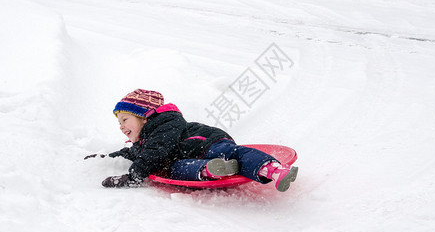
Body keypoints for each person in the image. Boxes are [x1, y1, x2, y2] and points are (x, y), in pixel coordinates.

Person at [85, 89, 298, 192]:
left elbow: (156, 152)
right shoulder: (144, 141)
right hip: (193, 157)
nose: (121, 127)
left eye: (125, 119)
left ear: (144, 116)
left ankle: (274, 169)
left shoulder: (164, 124)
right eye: (118, 123)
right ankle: (212, 170)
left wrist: (132, 177)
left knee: (233, 153)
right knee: (175, 169)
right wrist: (106, 158)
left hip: (207, 143)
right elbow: (132, 153)